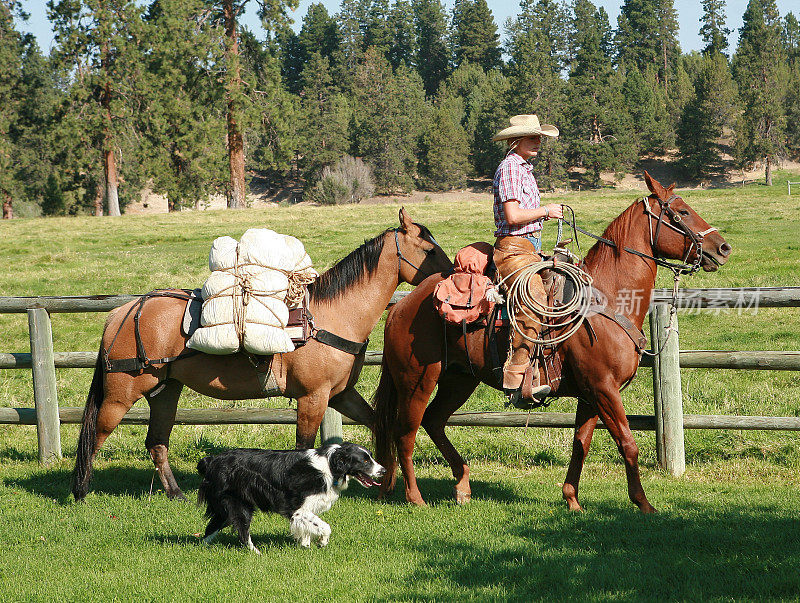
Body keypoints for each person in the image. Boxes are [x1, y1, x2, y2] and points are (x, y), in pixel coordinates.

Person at [492, 114, 563, 407]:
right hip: (513, 249)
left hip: (531, 247)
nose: (538, 142)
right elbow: (513, 216)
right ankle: (517, 378)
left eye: (539, 137)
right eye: (532, 137)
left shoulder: (525, 169)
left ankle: (548, 365)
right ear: (515, 140)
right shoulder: (510, 168)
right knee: (532, 296)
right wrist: (546, 210)